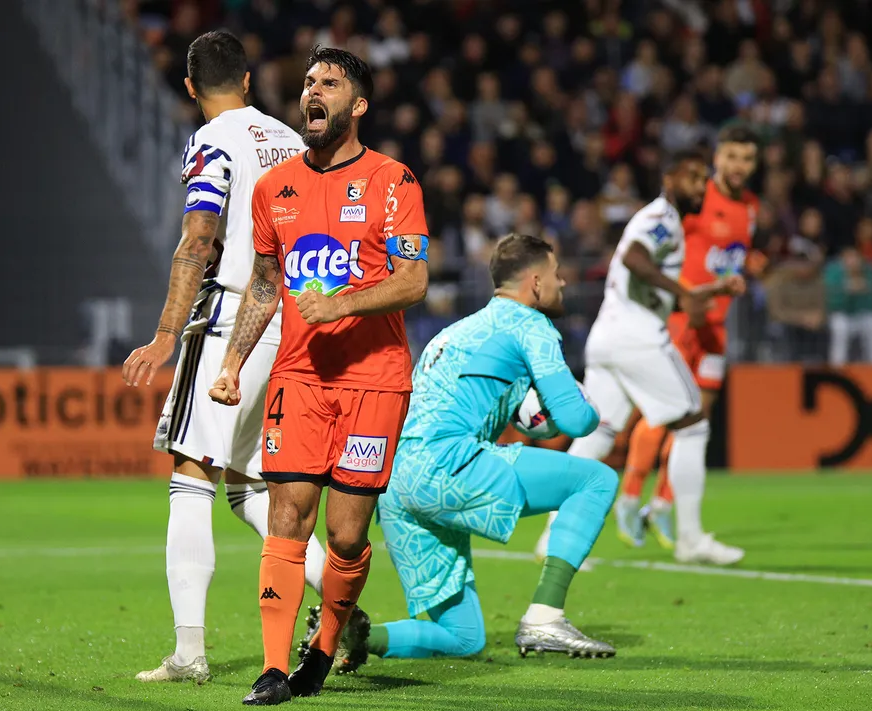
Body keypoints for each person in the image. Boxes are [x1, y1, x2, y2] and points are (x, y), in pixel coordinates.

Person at [209, 46, 429, 705]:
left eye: (330, 83)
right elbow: (265, 284)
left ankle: (324, 648)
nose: (314, 90)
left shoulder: (394, 181)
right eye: (309, 81)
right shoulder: (273, 189)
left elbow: (413, 280)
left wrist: (341, 304)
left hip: (374, 381)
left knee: (347, 534)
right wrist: (231, 363)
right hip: (299, 379)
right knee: (287, 516)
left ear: (357, 105)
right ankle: (274, 667)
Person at [301, 234, 619, 669]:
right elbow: (577, 421)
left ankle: (354, 636)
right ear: (535, 282)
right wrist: (586, 406)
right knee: (597, 479)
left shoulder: (454, 333)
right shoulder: (530, 324)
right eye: (556, 273)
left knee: (464, 637)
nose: (562, 282)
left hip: (397, 486)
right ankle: (545, 616)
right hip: (447, 465)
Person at [121, 30, 326, 684]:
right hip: (295, 319)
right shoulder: (291, 140)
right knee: (250, 486)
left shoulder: (212, 142)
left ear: (189, 87)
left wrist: (165, 333)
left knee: (193, 472)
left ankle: (189, 652)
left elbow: (198, 237)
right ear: (246, 80)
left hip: (234, 315)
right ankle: (338, 604)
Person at [535, 150, 748, 566]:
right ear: (669, 179)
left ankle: (553, 537)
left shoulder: (666, 222)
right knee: (693, 425)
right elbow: (635, 257)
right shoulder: (661, 217)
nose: (701, 186)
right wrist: (685, 291)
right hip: (639, 339)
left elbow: (652, 289)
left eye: (703, 179)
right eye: (692, 177)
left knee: (597, 435)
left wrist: (709, 292)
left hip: (609, 337)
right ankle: (690, 538)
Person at [615, 124, 762, 549]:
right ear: (717, 158)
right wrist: (678, 294)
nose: (739, 166)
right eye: (732, 156)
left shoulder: (750, 207)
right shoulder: (696, 199)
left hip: (716, 326)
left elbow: (726, 256)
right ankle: (629, 497)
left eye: (747, 158)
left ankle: (661, 505)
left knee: (699, 418)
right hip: (682, 321)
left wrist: (744, 269)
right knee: (663, 412)